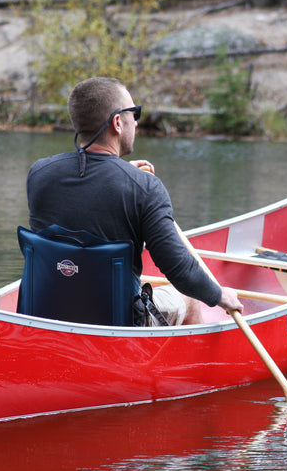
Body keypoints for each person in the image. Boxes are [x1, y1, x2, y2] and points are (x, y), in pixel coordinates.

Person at [26, 77, 243, 325]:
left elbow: (85, 191)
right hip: (115, 321)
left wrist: (123, 172)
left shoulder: (40, 174)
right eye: (134, 112)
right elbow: (180, 271)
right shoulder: (145, 188)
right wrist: (219, 295)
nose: (137, 121)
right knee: (190, 298)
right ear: (118, 122)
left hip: (49, 308)